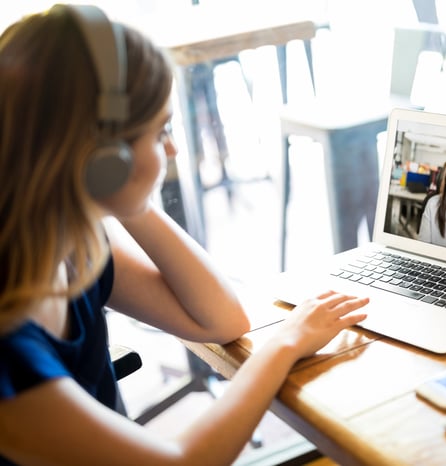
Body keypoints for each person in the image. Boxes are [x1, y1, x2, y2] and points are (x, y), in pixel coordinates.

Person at [0, 5, 369, 465]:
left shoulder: (72, 246)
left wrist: (129, 197)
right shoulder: (10, 346)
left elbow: (220, 319)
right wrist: (286, 343)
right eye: (159, 132)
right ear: (102, 157)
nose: (172, 150)